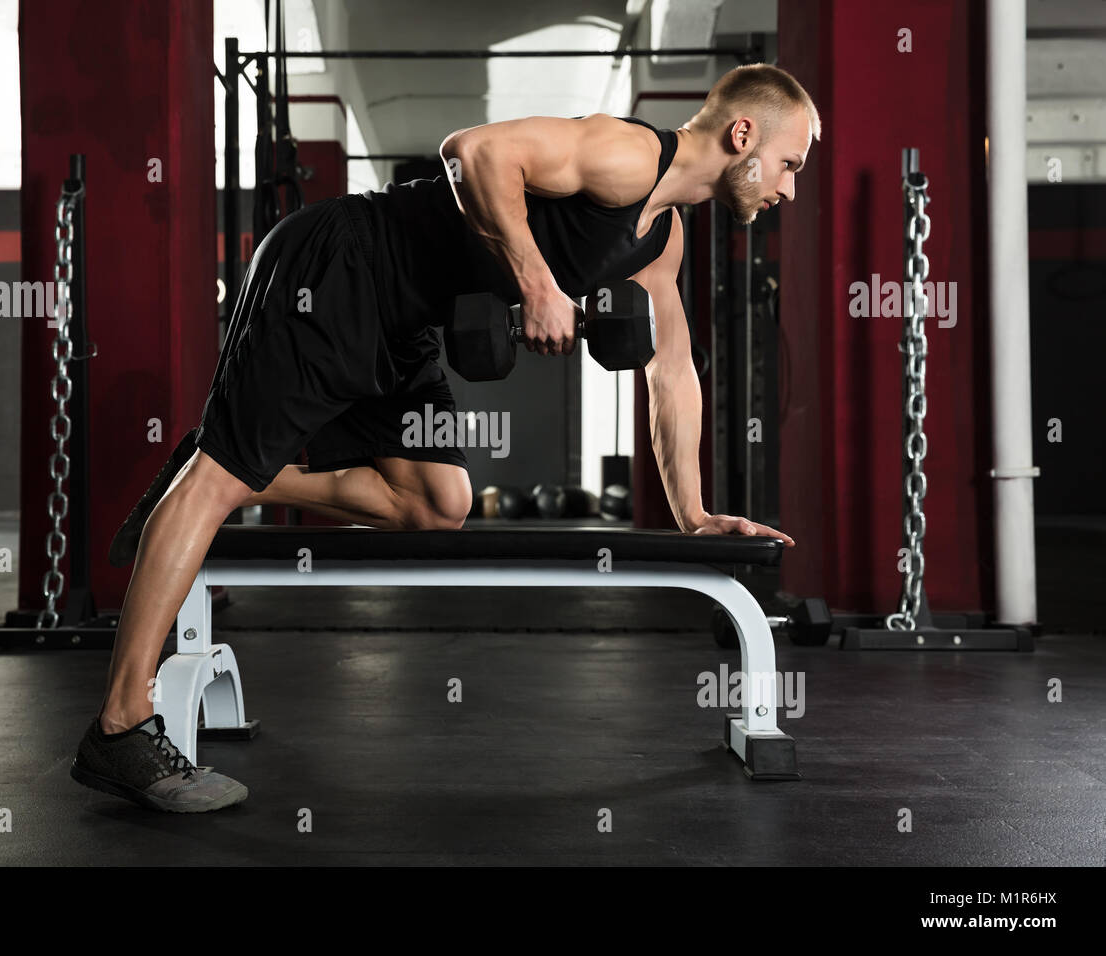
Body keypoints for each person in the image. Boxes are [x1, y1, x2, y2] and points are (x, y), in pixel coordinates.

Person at [70, 63, 820, 812]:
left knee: (435, 502)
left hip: (403, 325)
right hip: (340, 265)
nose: (789, 186)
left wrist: (692, 513)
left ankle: (211, 471)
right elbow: (472, 150)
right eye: (790, 163)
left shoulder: (660, 244)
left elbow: (673, 371)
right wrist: (535, 280)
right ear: (743, 133)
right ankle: (121, 726)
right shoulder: (626, 155)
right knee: (220, 475)